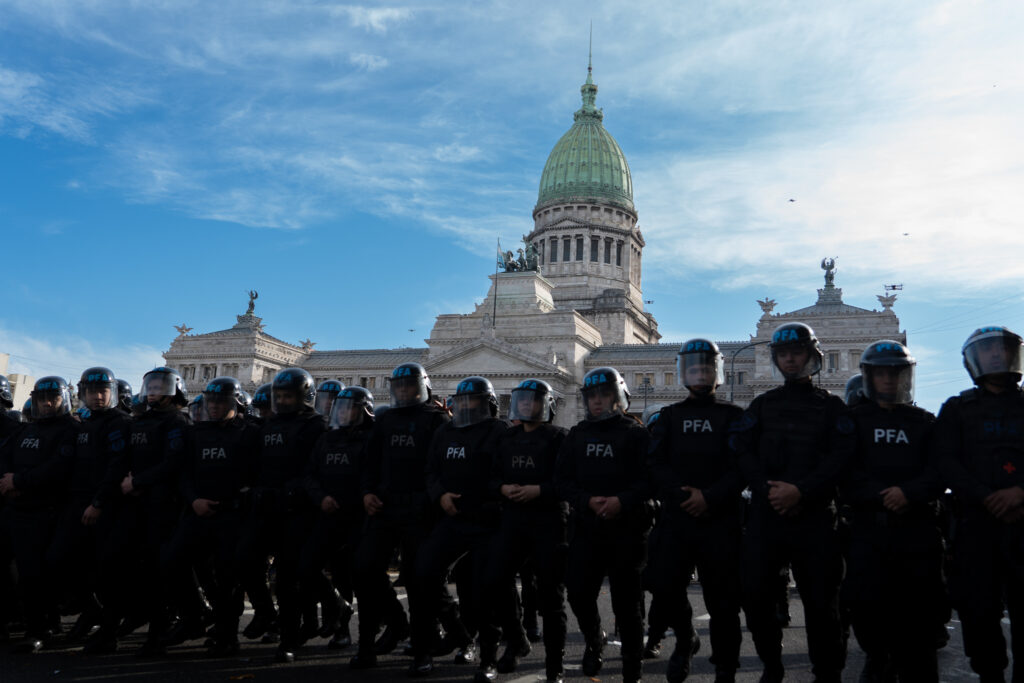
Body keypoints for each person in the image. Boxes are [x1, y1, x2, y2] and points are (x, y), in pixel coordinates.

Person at [730, 322, 848, 683]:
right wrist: (768, 491)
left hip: (815, 518)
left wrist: (802, 491)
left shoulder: (831, 406)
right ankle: (772, 664)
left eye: (797, 352)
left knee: (822, 603)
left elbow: (840, 459)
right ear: (776, 359)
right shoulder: (762, 404)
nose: (791, 359)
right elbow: (742, 452)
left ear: (813, 357)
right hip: (769, 515)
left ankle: (826, 672)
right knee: (756, 596)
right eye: (783, 354)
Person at [840, 340, 946, 682]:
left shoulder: (925, 421)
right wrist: (877, 494)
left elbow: (941, 469)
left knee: (921, 615)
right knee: (867, 608)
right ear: (870, 377)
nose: (888, 380)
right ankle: (877, 658)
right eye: (882, 373)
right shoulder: (851, 422)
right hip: (869, 531)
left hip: (916, 531)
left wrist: (908, 493)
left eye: (895, 373)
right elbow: (842, 469)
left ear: (906, 377)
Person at [648, 339, 744, 683]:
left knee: (723, 601)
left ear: (716, 373)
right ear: (683, 373)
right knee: (665, 586)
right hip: (677, 517)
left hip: (720, 519)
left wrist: (711, 496)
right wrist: (682, 493)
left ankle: (725, 667)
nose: (700, 373)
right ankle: (685, 636)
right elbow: (656, 463)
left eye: (706, 368)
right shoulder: (670, 416)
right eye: (694, 368)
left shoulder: (734, 416)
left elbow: (742, 465)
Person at [936, 326, 1024, 683]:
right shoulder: (957, 409)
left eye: (1001, 349)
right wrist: (985, 496)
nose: (994, 356)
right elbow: (944, 462)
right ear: (974, 359)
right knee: (978, 610)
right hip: (977, 525)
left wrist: (1020, 492)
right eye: (987, 350)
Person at [555, 367, 652, 683]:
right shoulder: (577, 434)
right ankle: (594, 637)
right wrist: (585, 500)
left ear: (619, 397)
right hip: (586, 528)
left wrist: (622, 500)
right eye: (592, 396)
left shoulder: (637, 434)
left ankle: (631, 668)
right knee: (578, 593)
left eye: (605, 395)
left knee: (627, 605)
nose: (597, 401)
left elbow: (650, 481)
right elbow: (562, 480)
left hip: (627, 529)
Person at [352, 362, 449, 674]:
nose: (404, 391)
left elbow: (442, 467)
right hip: (384, 506)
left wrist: (433, 499)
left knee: (420, 580)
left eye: (410, 385)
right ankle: (379, 634)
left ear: (422, 387)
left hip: (421, 510)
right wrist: (367, 491)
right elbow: (370, 460)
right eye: (400, 386)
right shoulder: (386, 419)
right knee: (365, 569)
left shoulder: (436, 420)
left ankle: (423, 651)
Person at [415, 376, 507, 681]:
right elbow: (430, 470)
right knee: (423, 572)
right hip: (451, 518)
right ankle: (456, 634)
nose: (467, 405)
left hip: (486, 521)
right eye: (463, 400)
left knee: (484, 588)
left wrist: (482, 500)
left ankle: (488, 658)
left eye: (474, 400)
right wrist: (439, 494)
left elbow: (503, 475)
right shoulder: (445, 431)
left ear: (487, 403)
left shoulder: (499, 432)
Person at [164, 376, 259, 657]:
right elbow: (184, 472)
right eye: (211, 401)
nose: (215, 406)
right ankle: (194, 617)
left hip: (232, 515)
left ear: (236, 403)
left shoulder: (249, 433)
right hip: (198, 512)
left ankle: (228, 634)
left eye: (222, 401)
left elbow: (256, 474)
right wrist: (194, 500)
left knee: (227, 578)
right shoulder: (196, 433)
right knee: (172, 561)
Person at [99, 366, 191, 656]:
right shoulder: (139, 421)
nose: (153, 392)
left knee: (156, 570)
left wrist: (139, 481)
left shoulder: (178, 422)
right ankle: (113, 626)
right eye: (150, 387)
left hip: (161, 506)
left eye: (159, 387)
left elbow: (173, 462)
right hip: (133, 503)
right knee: (115, 561)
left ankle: (158, 633)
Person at [236, 367, 325, 663]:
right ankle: (265, 613)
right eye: (280, 396)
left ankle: (288, 637)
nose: (283, 401)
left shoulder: (315, 426)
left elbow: (316, 468)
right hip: (264, 507)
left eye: (290, 396)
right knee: (245, 560)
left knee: (287, 579)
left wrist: (295, 491)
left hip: (297, 511)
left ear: (304, 397)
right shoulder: (268, 426)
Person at [483, 378, 568, 683]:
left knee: (551, 595)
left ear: (546, 405)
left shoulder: (560, 437)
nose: (525, 405)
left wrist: (539, 490)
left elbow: (568, 483)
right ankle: (516, 638)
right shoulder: (506, 438)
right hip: (513, 519)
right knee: (495, 580)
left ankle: (554, 664)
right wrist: (503, 487)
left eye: (533, 400)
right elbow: (491, 478)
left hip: (548, 521)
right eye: (522, 400)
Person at [46, 368, 130, 648]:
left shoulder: (118, 422)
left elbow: (116, 466)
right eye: (92, 392)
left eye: (103, 391)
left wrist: (99, 503)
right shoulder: (84, 422)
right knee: (60, 560)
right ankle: (90, 610)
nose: (98, 396)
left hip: (104, 507)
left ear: (112, 393)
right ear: (82, 394)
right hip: (76, 502)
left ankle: (107, 632)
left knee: (106, 572)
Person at [0, 376, 77, 652]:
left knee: (33, 575)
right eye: (41, 398)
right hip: (14, 508)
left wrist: (19, 482)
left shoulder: (70, 429)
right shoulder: (28, 429)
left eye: (52, 398)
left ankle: (38, 629)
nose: (45, 403)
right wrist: (7, 481)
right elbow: (6, 456)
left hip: (43, 513)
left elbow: (58, 468)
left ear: (63, 399)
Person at [300, 386, 376, 650]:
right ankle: (338, 607)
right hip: (329, 513)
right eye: (339, 408)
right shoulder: (327, 438)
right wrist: (320, 497)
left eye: (349, 407)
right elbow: (309, 474)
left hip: (358, 517)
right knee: (306, 564)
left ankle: (349, 633)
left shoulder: (371, 438)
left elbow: (373, 475)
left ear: (363, 410)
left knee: (350, 574)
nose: (343, 412)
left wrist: (363, 495)